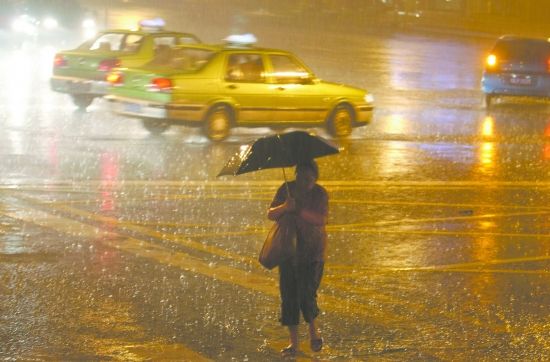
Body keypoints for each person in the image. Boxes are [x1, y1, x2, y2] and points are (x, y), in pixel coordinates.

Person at [267, 160, 328, 357]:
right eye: (301, 178)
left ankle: (314, 333)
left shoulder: (320, 193)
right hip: (288, 250)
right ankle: (294, 344)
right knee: (289, 297)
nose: (305, 183)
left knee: (306, 294)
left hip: (312, 253)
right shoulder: (287, 189)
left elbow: (321, 219)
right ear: (296, 175)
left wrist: (299, 210)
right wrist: (285, 206)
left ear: (315, 178)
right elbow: (271, 214)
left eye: (309, 179)